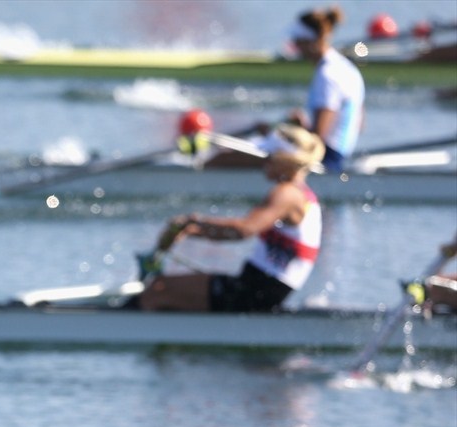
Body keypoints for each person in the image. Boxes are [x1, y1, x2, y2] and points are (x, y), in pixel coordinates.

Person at [137, 125, 326, 313]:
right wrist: (194, 231)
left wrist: (193, 222)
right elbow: (239, 231)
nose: (263, 162)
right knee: (168, 290)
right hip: (260, 290)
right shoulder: (303, 195)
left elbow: (243, 230)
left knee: (157, 290)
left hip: (255, 293)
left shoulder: (286, 193)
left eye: (269, 157)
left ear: (285, 160)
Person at [288, 6, 365, 173]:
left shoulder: (327, 75)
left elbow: (318, 137)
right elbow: (360, 125)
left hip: (327, 160)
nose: (294, 46)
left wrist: (293, 129)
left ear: (310, 42)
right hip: (340, 155)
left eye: (297, 41)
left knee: (229, 158)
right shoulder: (348, 68)